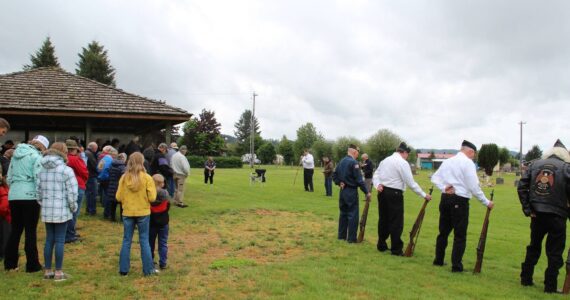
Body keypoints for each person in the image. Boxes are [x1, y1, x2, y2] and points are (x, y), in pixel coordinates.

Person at [430, 140, 494, 273]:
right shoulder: (468, 163)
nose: (473, 156)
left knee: (443, 232)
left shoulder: (448, 161)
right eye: (473, 154)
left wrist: (443, 187)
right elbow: (473, 186)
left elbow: (434, 178)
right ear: (470, 151)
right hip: (460, 199)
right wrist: (486, 202)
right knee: (460, 234)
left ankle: (438, 260)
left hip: (445, 198)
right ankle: (456, 266)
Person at [518, 139, 570, 293]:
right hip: (558, 215)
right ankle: (550, 286)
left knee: (533, 246)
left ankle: (526, 279)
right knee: (554, 252)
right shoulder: (567, 168)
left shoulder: (535, 165)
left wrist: (528, 209)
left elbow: (522, 187)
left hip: (537, 214)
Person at [372, 142, 432, 256]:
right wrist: (424, 194)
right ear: (403, 152)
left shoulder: (385, 160)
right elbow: (410, 182)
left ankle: (381, 244)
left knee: (383, 219)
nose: (407, 156)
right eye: (407, 154)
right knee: (396, 222)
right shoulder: (402, 163)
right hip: (395, 193)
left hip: (383, 192)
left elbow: (376, 174)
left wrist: (377, 184)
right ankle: (396, 249)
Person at [4, 135, 48, 272]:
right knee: (30, 231)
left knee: (15, 230)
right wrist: (40, 196)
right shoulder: (37, 157)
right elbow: (38, 178)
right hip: (30, 196)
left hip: (14, 195)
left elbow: (9, 177)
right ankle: (32, 264)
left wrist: (15, 189)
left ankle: (10, 263)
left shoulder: (15, 156)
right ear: (42, 146)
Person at [37, 142, 78, 281]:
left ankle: (48, 271)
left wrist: (44, 204)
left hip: (47, 210)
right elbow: (72, 193)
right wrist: (73, 208)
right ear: (63, 153)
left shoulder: (41, 169)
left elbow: (38, 192)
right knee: (60, 240)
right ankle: (59, 272)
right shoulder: (66, 170)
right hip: (62, 210)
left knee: (49, 239)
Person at [116, 152, 157, 276]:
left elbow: (118, 197)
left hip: (128, 211)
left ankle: (123, 269)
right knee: (144, 240)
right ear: (142, 162)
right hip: (143, 212)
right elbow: (153, 197)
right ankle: (148, 270)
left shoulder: (124, 178)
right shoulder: (147, 178)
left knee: (126, 240)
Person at [332, 144, 371, 243]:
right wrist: (367, 192)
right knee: (353, 214)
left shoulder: (341, 161)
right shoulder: (354, 163)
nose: (358, 155)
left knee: (343, 214)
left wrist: (338, 182)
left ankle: (341, 236)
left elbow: (334, 175)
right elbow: (359, 180)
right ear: (354, 152)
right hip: (351, 191)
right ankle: (352, 238)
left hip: (343, 190)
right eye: (358, 153)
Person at [64, 139, 88, 244]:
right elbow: (84, 172)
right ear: (74, 149)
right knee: (74, 211)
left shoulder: (63, 158)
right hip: (78, 185)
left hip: (66, 186)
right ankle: (70, 234)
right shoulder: (75, 159)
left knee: (68, 211)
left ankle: (69, 232)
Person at [149, 174, 170, 271]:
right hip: (163, 222)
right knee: (163, 242)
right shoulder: (165, 194)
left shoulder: (149, 194)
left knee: (150, 242)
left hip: (151, 222)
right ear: (161, 184)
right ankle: (163, 262)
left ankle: (150, 260)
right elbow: (168, 206)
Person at [107, 153, 127, 222]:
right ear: (123, 159)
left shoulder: (111, 165)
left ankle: (112, 218)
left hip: (111, 185)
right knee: (122, 203)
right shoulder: (122, 167)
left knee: (113, 203)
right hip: (119, 187)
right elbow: (124, 178)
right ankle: (122, 218)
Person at [98, 147, 117, 219]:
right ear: (113, 154)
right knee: (109, 197)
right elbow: (107, 169)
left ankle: (106, 213)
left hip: (101, 178)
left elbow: (98, 167)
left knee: (106, 196)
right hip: (106, 179)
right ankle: (107, 213)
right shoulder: (110, 160)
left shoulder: (104, 158)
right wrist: (109, 176)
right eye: (115, 155)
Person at [84, 142, 99, 216]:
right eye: (96, 148)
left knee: (88, 193)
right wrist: (99, 171)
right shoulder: (90, 154)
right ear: (93, 148)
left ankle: (88, 209)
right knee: (93, 193)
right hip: (92, 176)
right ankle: (92, 210)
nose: (96, 149)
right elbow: (95, 165)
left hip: (87, 176)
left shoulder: (86, 153)